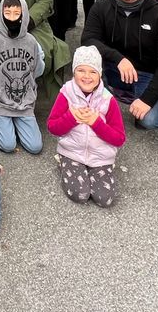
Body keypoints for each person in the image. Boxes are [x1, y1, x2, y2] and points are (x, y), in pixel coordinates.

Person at [80, 0, 158, 129]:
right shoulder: (100, 7)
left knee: (149, 121)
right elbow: (88, 40)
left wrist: (147, 100)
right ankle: (111, 95)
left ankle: (155, 95)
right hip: (113, 68)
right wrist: (119, 59)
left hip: (147, 74)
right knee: (86, 64)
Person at [47, 46, 125, 207]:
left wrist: (96, 123)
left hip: (100, 157)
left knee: (105, 199)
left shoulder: (108, 99)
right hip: (72, 152)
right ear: (73, 72)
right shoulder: (66, 93)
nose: (87, 76)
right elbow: (52, 127)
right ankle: (63, 161)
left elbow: (119, 138)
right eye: (81, 70)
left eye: (92, 71)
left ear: (100, 74)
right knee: (80, 194)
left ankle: (99, 169)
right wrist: (71, 117)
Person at [0, 0, 45, 154]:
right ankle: (0, 119)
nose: (12, 18)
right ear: (1, 14)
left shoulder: (30, 41)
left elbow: (36, 70)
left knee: (35, 147)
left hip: (24, 102)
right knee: (7, 145)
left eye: (17, 13)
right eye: (8, 13)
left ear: (24, 14)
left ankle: (17, 122)